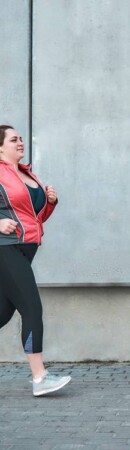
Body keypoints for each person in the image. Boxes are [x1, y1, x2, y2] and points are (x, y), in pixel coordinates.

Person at [0, 125, 71, 396]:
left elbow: (34, 219)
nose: (20, 142)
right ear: (0, 147)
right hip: (5, 249)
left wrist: (49, 203)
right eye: (13, 139)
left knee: (2, 313)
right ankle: (40, 378)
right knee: (31, 308)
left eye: (21, 138)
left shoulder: (26, 173)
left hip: (26, 248)